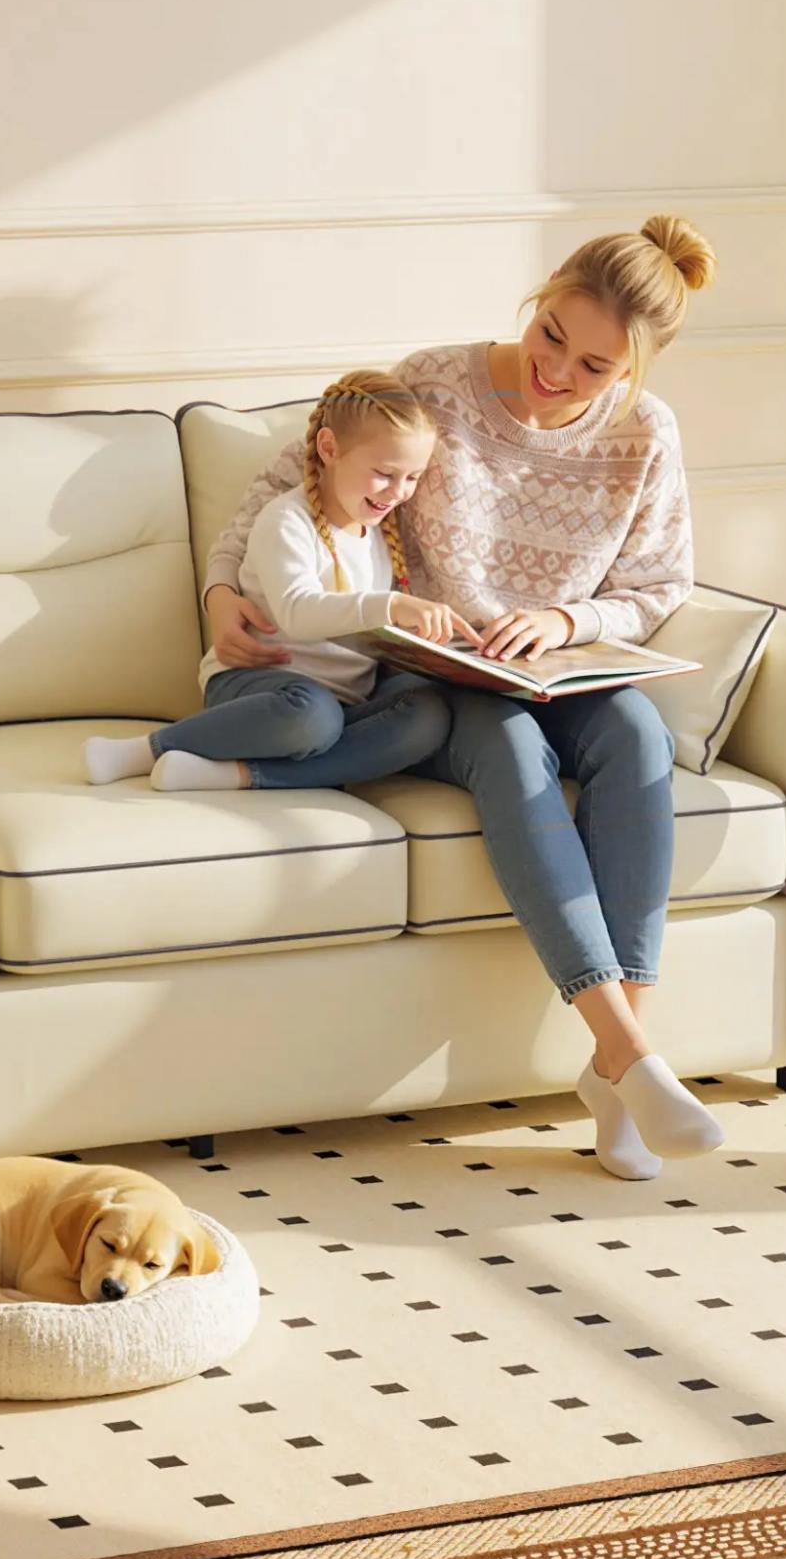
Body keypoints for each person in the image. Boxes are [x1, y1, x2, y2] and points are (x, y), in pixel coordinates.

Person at [200, 216, 726, 1181]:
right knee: (513, 752)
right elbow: (288, 481)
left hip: (556, 658)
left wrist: (566, 623)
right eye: (551, 337)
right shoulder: (436, 381)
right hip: (437, 671)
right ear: (540, 299)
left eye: (595, 365)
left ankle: (619, 1071)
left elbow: (660, 583)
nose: (556, 372)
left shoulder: (647, 436)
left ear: (635, 371)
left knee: (639, 740)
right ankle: (630, 1061)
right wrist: (223, 590)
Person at [85, 372, 464, 794]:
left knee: (428, 715)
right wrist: (390, 605)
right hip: (259, 687)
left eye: (412, 478)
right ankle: (146, 750)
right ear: (329, 448)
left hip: (343, 704)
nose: (399, 492)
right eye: (385, 473)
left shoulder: (377, 532)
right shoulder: (285, 521)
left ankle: (237, 776)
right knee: (312, 718)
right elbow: (298, 611)